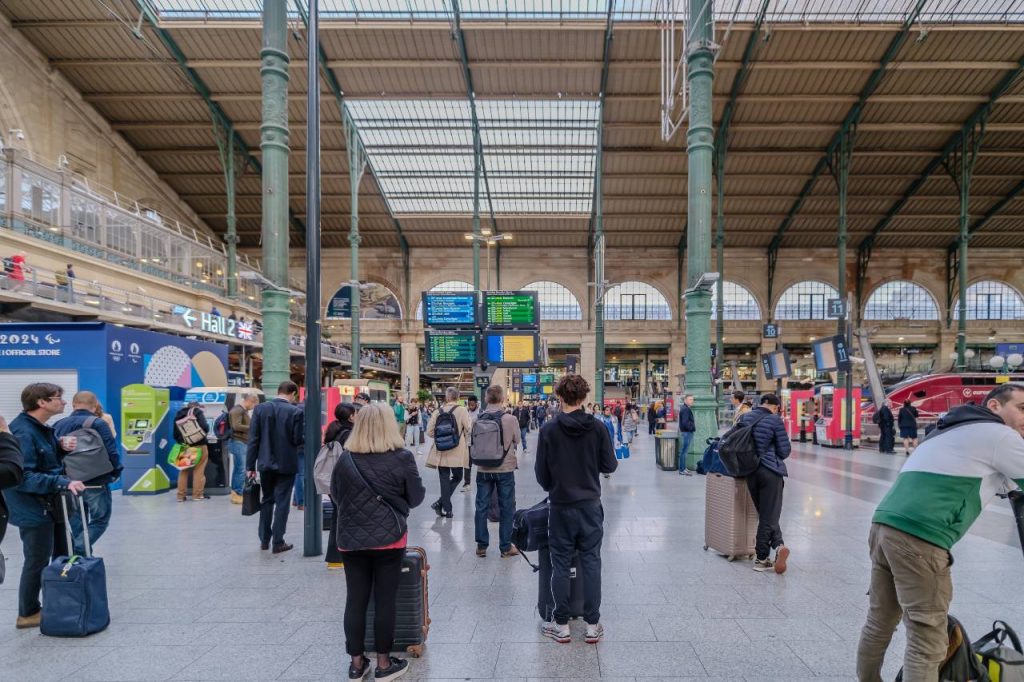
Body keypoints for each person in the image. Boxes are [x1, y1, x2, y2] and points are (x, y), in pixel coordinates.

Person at [856, 384, 1024, 682]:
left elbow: (1003, 483)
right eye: (1022, 408)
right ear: (995, 406)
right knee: (928, 637)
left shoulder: (950, 429)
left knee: (879, 621)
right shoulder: (999, 434)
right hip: (920, 538)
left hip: (883, 526)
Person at [331, 403, 424, 682]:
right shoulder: (402, 457)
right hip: (389, 539)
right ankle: (384, 664)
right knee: (385, 601)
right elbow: (416, 497)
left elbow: (336, 496)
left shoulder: (345, 459)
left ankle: (357, 665)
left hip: (351, 539)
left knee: (355, 600)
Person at [535, 374, 617, 644]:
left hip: (560, 507)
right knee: (592, 562)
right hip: (590, 506)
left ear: (559, 396)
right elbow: (610, 465)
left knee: (560, 565)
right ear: (584, 398)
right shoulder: (598, 427)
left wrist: (554, 487)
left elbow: (541, 474)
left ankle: (562, 625)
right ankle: (592, 625)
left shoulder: (549, 429)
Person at [6, 383, 86, 629]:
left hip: (50, 505)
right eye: (57, 398)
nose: (63, 402)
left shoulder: (42, 429)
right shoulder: (23, 433)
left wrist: (59, 450)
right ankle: (28, 612)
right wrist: (63, 481)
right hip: (34, 509)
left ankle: (56, 601)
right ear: (41, 402)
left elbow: (45, 463)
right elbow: (23, 477)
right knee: (37, 559)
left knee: (58, 555)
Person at [53, 391, 122, 554]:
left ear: (73, 404)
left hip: (70, 482)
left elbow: (54, 454)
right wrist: (116, 471)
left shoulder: (58, 424)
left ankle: (80, 560)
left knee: (77, 523)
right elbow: (111, 450)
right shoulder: (98, 423)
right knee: (100, 519)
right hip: (97, 479)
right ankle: (79, 550)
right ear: (95, 405)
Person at [246, 381, 304, 553]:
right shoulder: (295, 412)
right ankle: (278, 542)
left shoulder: (260, 409)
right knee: (283, 502)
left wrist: (250, 465)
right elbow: (297, 440)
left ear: (279, 391)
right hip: (287, 463)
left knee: (267, 500)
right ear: (292, 393)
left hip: (264, 463)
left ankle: (264, 539)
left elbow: (253, 439)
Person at [738, 393, 792, 574]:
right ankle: (761, 558)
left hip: (750, 472)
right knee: (769, 516)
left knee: (766, 513)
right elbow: (784, 451)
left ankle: (779, 546)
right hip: (770, 471)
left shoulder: (746, 417)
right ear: (774, 406)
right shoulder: (774, 420)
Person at [474, 384, 522, 559]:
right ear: (502, 399)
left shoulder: (477, 418)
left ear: (486, 399)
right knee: (507, 506)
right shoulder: (509, 418)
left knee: (481, 506)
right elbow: (517, 439)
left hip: (483, 467)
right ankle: (505, 546)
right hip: (504, 468)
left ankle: (481, 546)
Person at [425, 388, 473, 518]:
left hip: (441, 450)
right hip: (457, 449)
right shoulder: (462, 410)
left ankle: (446, 508)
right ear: (458, 398)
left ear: (446, 398)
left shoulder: (437, 411)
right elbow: (469, 428)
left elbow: (429, 432)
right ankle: (441, 504)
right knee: (457, 477)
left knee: (444, 480)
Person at [324, 402, 357, 570]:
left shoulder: (333, 430)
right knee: (341, 518)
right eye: (355, 413)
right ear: (351, 416)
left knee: (338, 516)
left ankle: (336, 557)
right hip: (344, 481)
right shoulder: (349, 434)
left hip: (331, 479)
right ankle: (337, 557)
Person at [172, 401, 209, 502]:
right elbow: (205, 427)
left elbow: (175, 434)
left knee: (184, 470)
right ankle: (197, 495)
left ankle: (180, 496)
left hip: (185, 446)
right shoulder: (197, 412)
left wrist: (184, 441)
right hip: (200, 445)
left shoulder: (178, 415)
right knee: (199, 471)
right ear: (196, 407)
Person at [227, 392, 257, 504]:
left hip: (240, 442)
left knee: (239, 468)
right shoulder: (238, 410)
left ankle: (236, 493)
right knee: (241, 469)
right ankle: (238, 493)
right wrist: (252, 426)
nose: (253, 407)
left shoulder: (240, 410)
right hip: (239, 442)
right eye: (254, 405)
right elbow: (236, 426)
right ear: (250, 401)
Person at [461, 395, 480, 492]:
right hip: (468, 441)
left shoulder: (481, 412)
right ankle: (467, 483)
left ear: (476, 403)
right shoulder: (465, 412)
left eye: (472, 404)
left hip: (478, 443)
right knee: (467, 464)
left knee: (481, 462)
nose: (471, 406)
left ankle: (482, 482)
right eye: (469, 404)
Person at [678, 394, 696, 476]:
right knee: (684, 452)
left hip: (686, 432)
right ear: (685, 400)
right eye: (690, 399)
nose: (692, 401)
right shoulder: (685, 409)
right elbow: (685, 422)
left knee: (684, 451)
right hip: (686, 432)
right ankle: (682, 469)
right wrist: (691, 427)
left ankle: (683, 468)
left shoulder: (685, 408)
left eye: (692, 399)